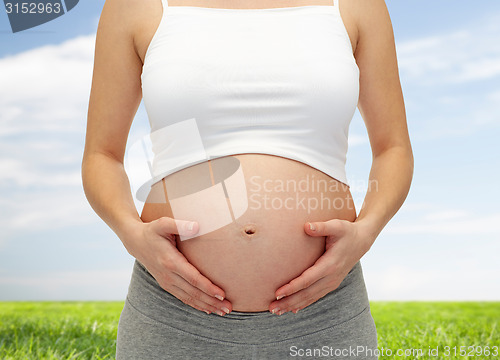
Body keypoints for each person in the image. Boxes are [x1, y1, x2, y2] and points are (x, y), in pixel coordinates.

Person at [82, 0, 413, 358]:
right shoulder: (132, 6)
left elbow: (392, 148)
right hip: (174, 312)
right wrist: (132, 236)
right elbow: (102, 156)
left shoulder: (358, 6)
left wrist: (366, 232)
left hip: (323, 312)